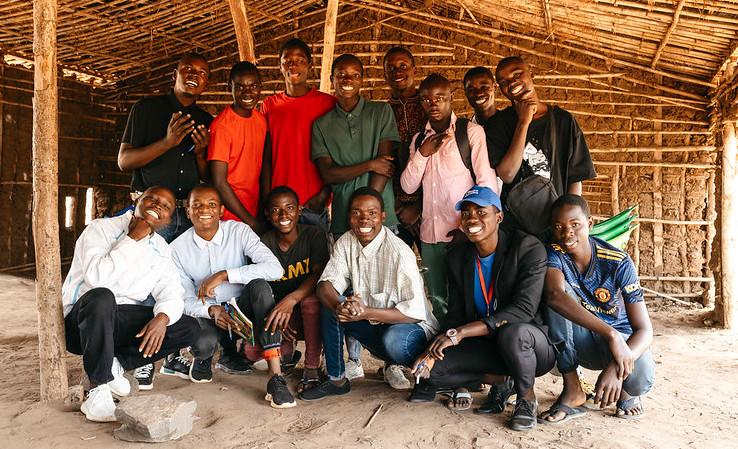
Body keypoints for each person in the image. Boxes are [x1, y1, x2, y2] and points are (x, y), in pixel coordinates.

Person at [409, 186, 554, 432]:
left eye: (480, 211)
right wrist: (431, 351)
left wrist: (461, 333)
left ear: (499, 217)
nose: (472, 218)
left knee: (514, 333)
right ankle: (501, 380)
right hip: (488, 345)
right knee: (430, 374)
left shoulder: (527, 249)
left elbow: (523, 310)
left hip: (529, 346)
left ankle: (526, 398)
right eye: (466, 213)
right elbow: (455, 314)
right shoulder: (458, 258)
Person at [62, 186, 200, 422]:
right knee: (103, 296)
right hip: (83, 324)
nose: (158, 206)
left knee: (188, 327)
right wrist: (132, 239)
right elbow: (97, 279)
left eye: (166, 206)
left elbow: (172, 291)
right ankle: (97, 388)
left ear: (169, 218)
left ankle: (115, 364)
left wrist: (162, 318)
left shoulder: (161, 249)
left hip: (118, 324)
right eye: (152, 199)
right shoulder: (101, 229)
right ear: (137, 200)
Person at [299, 187, 439, 401]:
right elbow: (324, 284)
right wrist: (341, 306)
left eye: (372, 213)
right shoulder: (346, 241)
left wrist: (366, 313)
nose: (364, 220)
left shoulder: (400, 253)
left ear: (383, 216)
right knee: (331, 305)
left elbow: (414, 313)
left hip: (409, 331)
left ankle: (423, 374)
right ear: (349, 217)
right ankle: (337, 380)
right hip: (372, 324)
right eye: (357, 213)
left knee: (394, 339)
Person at [169, 186, 297, 408]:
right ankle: (203, 358)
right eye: (196, 205)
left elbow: (275, 269)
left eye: (211, 205)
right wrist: (211, 310)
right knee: (204, 343)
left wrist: (225, 274)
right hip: (208, 314)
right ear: (187, 212)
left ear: (221, 210)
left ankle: (275, 377)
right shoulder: (176, 249)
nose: (203, 210)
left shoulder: (239, 232)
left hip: (242, 310)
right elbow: (183, 298)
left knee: (259, 287)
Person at [541, 195, 655, 423]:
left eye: (575, 225)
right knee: (556, 297)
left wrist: (616, 364)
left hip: (619, 344)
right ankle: (573, 389)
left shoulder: (618, 262)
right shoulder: (554, 253)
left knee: (640, 375)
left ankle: (627, 393)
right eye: (559, 227)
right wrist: (609, 333)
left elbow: (645, 330)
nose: (567, 233)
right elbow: (555, 296)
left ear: (590, 224)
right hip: (582, 340)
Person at [400, 73, 498, 321]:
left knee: (466, 294)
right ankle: (445, 351)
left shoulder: (470, 133)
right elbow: (408, 186)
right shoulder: (420, 140)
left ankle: (468, 349)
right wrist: (422, 153)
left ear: (451, 98)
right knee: (438, 298)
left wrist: (469, 229)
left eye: (440, 98)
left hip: (461, 233)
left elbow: (486, 184)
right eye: (426, 99)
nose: (433, 104)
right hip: (430, 234)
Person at [485, 56, 596, 236]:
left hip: (558, 226)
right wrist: (523, 122)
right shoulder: (498, 125)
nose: (512, 83)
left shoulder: (563, 121)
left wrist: (569, 222)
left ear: (532, 74)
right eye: (504, 82)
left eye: (517, 74)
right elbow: (507, 174)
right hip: (516, 230)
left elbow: (575, 177)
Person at [118, 52, 213, 243]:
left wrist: (201, 155)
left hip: (188, 216)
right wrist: (166, 143)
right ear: (174, 75)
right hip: (152, 214)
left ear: (206, 84)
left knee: (180, 273)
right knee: (146, 271)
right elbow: (124, 162)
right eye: (188, 69)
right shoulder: (146, 109)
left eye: (202, 72)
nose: (194, 75)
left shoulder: (206, 121)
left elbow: (208, 177)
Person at [312, 53, 400, 238]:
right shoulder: (322, 125)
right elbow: (329, 174)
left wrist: (365, 211)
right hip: (343, 219)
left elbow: (384, 167)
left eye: (355, 75)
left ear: (362, 79)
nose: (347, 80)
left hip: (380, 218)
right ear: (332, 79)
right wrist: (369, 164)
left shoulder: (381, 112)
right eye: (341, 74)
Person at [260, 186, 330, 393]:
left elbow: (318, 274)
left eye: (289, 208)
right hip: (282, 311)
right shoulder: (265, 242)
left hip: (306, 306)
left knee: (311, 302)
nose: (283, 215)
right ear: (267, 214)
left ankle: (311, 368)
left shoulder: (313, 235)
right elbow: (263, 287)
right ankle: (287, 356)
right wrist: (280, 311)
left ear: (299, 210)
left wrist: (292, 300)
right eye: (276, 210)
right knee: (251, 352)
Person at [261, 38, 336, 232]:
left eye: (300, 60)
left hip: (313, 203)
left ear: (310, 65)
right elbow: (266, 158)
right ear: (280, 66)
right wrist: (268, 198)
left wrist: (323, 195)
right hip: (280, 206)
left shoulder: (327, 104)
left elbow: (338, 155)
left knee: (318, 262)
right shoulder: (269, 106)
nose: (293, 65)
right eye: (287, 60)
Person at [208, 61, 268, 232]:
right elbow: (219, 182)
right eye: (240, 87)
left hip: (253, 211)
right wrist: (251, 222)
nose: (248, 92)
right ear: (230, 88)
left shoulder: (261, 120)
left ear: (260, 87)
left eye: (253, 86)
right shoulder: (221, 126)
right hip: (230, 217)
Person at [383, 47, 425, 250]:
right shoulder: (382, 113)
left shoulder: (429, 106)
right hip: (396, 211)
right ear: (384, 74)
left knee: (439, 275)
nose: (397, 72)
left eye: (403, 66)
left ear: (414, 69)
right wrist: (396, 208)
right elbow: (383, 163)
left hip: (432, 206)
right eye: (391, 68)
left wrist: (420, 207)